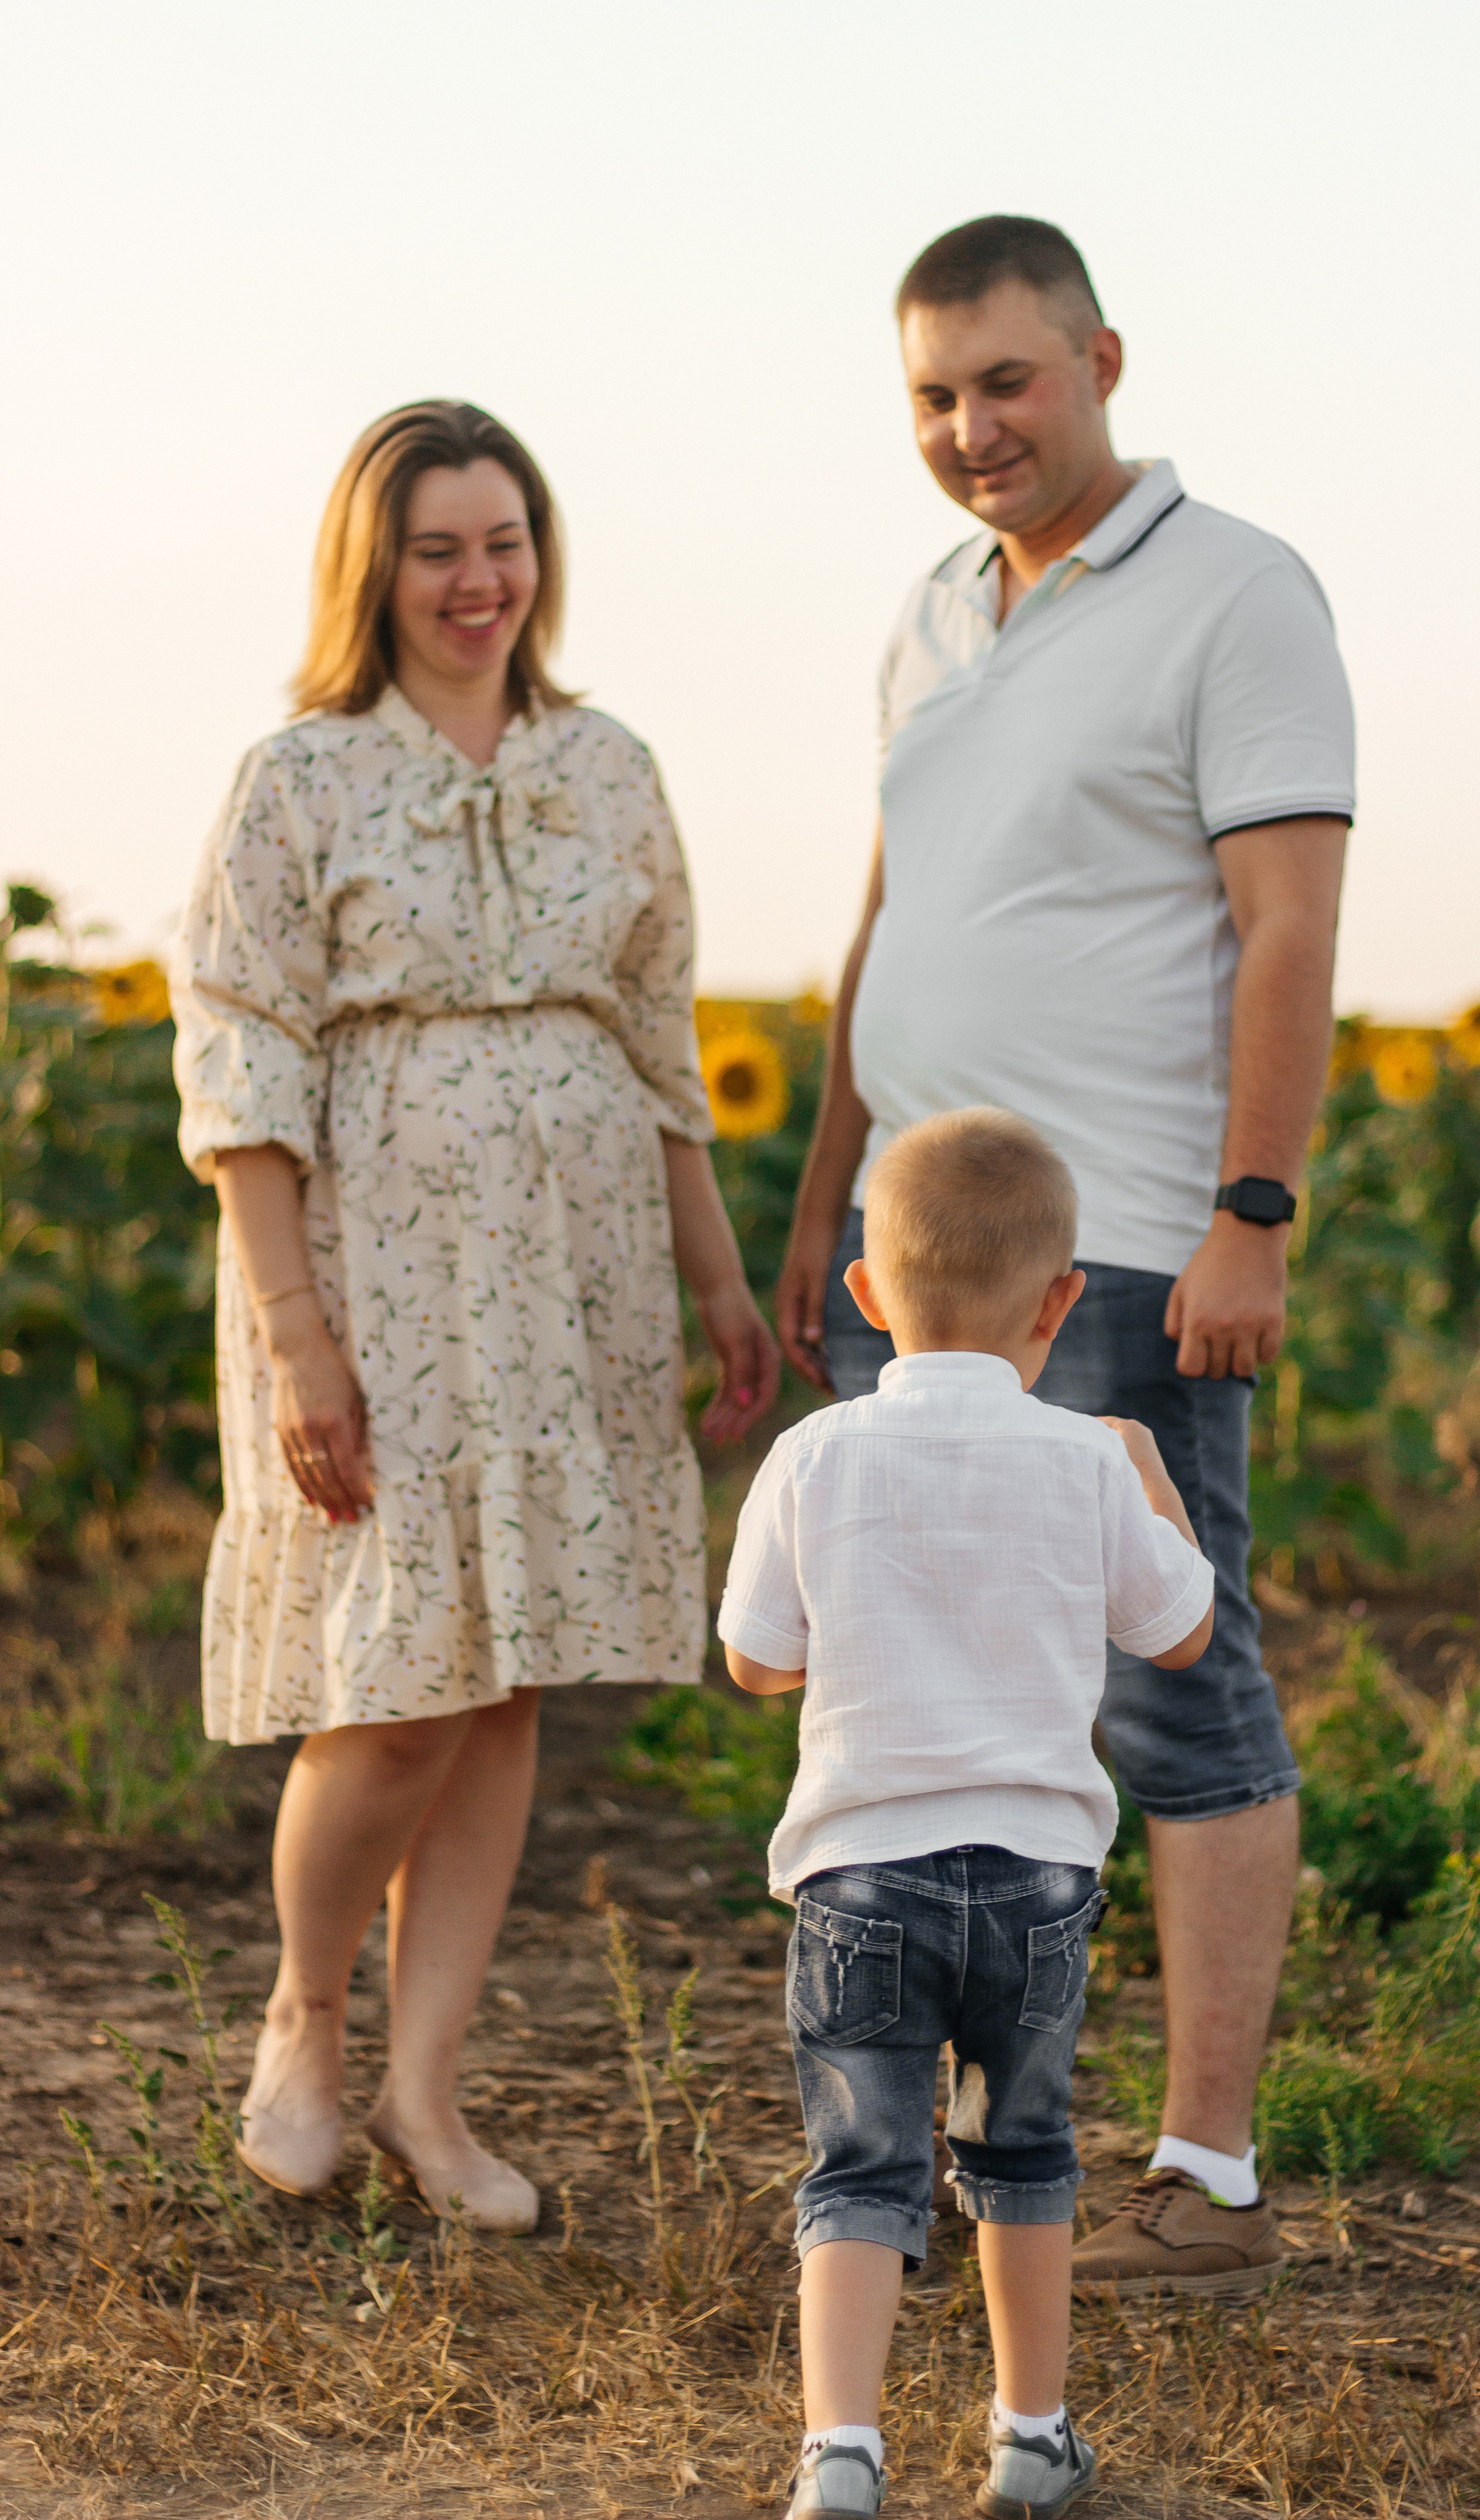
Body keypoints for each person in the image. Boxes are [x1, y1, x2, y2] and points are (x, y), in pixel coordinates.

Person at [775, 216, 1355, 2292]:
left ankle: (1198, 2167)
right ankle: (937, 2157)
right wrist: (819, 1206)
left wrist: (1250, 1216)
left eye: (1006, 382)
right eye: (933, 397)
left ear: (1101, 358)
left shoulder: (1237, 593)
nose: (970, 430)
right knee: (917, 1693)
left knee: (1170, 1685)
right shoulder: (929, 612)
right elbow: (884, 927)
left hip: (1115, 1252)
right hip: (907, 1262)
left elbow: (1288, 923)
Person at [171, 400, 779, 2231]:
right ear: (378, 568)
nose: (477, 580)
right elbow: (240, 1062)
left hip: (575, 1270)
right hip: (376, 1276)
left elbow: (662, 1045)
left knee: (503, 1679)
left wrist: (722, 1275)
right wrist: (298, 1333)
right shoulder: (300, 778)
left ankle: (429, 2101)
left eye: (502, 541)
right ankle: (303, 2024)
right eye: (436, 548)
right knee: (393, 1680)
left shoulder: (610, 766)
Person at [723, 1110, 1214, 2520]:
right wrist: (1148, 1472)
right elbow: (1179, 1635)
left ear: (865, 1296)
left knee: (860, 2169)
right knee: (1024, 2154)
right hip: (1036, 1879)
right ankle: (1027, 2435)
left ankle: (840, 2457)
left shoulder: (813, 1458)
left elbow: (759, 1663)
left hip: (860, 1878)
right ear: (1062, 1301)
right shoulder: (1084, 1460)